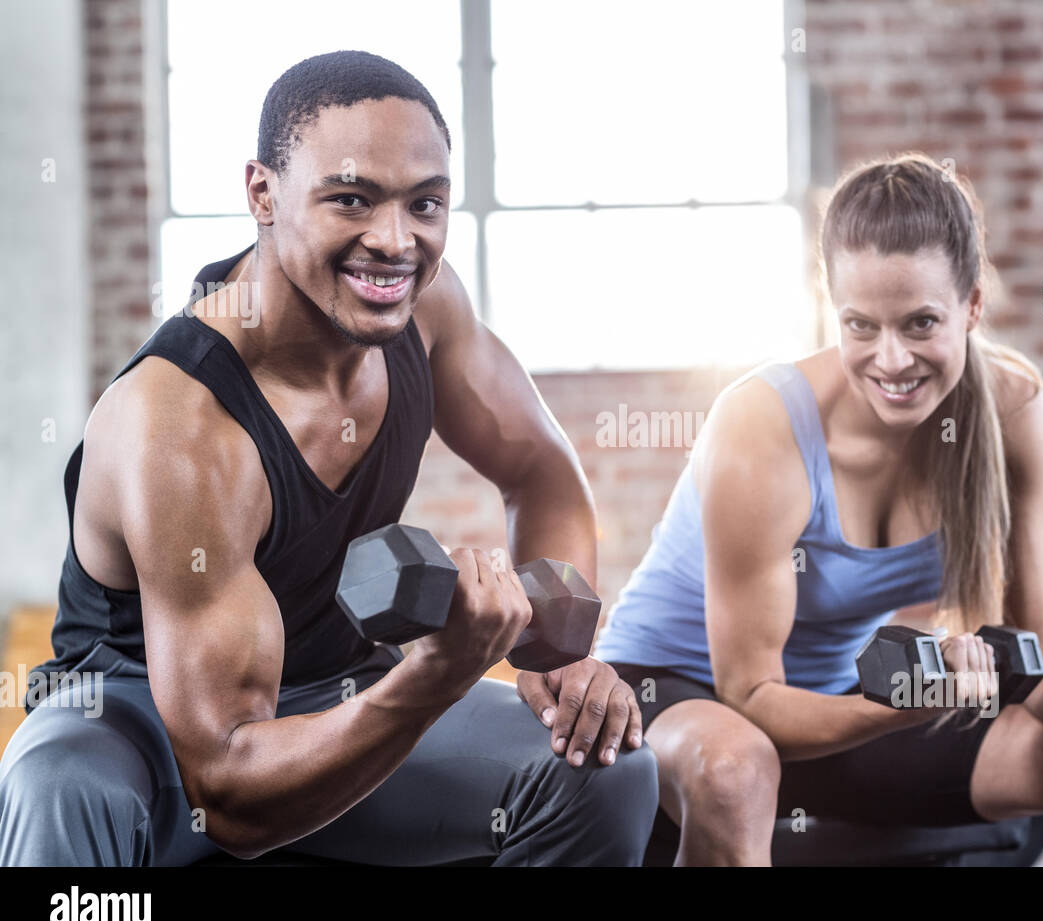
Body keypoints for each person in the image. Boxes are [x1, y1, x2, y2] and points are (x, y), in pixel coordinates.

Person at [0, 51, 656, 866]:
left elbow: (540, 471)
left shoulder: (430, 311)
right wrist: (435, 676)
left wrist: (560, 655)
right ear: (262, 194)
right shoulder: (178, 426)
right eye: (351, 199)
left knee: (603, 765)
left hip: (335, 689)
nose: (394, 240)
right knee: (58, 790)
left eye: (426, 204)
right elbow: (228, 796)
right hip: (145, 727)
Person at [595, 152, 1043, 866]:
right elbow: (750, 692)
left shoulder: (1013, 409)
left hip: (836, 707)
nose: (891, 360)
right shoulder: (760, 425)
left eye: (921, 323)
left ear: (972, 306)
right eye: (861, 325)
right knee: (736, 769)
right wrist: (892, 708)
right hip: (675, 692)